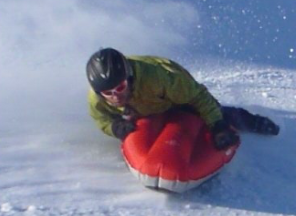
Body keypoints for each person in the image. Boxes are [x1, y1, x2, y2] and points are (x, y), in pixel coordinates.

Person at [86, 48, 279, 150]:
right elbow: (101, 118)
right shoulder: (97, 98)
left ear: (128, 79)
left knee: (208, 114)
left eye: (120, 88)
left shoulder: (160, 79)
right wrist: (114, 127)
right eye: (108, 93)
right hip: (143, 106)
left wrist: (217, 126)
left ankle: (252, 121)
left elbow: (198, 97)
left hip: (173, 95)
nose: (115, 96)